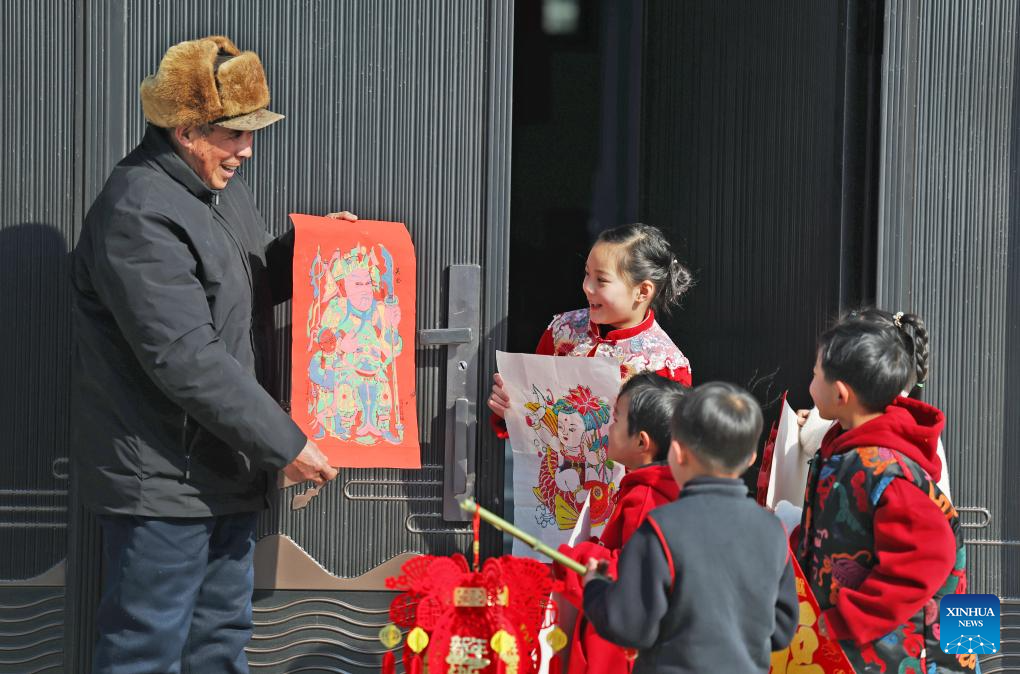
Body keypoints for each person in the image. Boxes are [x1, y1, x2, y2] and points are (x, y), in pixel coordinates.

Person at [71, 35, 349, 673]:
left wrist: (311, 249)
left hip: (220, 469)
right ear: (187, 131)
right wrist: (285, 442)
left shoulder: (214, 190)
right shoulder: (139, 210)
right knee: (146, 651)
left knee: (219, 645)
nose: (247, 150)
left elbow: (242, 285)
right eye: (235, 134)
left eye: (252, 133)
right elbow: (184, 355)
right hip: (164, 482)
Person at [795, 310, 972, 672]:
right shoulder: (849, 445)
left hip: (898, 651)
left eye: (814, 374)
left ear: (841, 393)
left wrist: (849, 618)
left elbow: (928, 557)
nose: (810, 382)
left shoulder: (886, 469)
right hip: (869, 643)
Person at [582, 382, 798, 673]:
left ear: (677, 452)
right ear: (751, 459)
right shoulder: (772, 531)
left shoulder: (660, 528)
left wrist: (595, 587)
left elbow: (630, 626)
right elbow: (782, 629)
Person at [488, 222, 694, 431]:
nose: (587, 287)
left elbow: (667, 443)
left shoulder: (665, 365)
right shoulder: (562, 330)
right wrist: (512, 408)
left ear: (642, 291)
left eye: (601, 280)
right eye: (587, 273)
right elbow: (534, 406)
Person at [556, 372, 687, 674]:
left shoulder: (645, 497)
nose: (608, 427)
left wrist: (578, 555)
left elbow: (629, 573)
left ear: (642, 442)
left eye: (616, 419)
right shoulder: (668, 486)